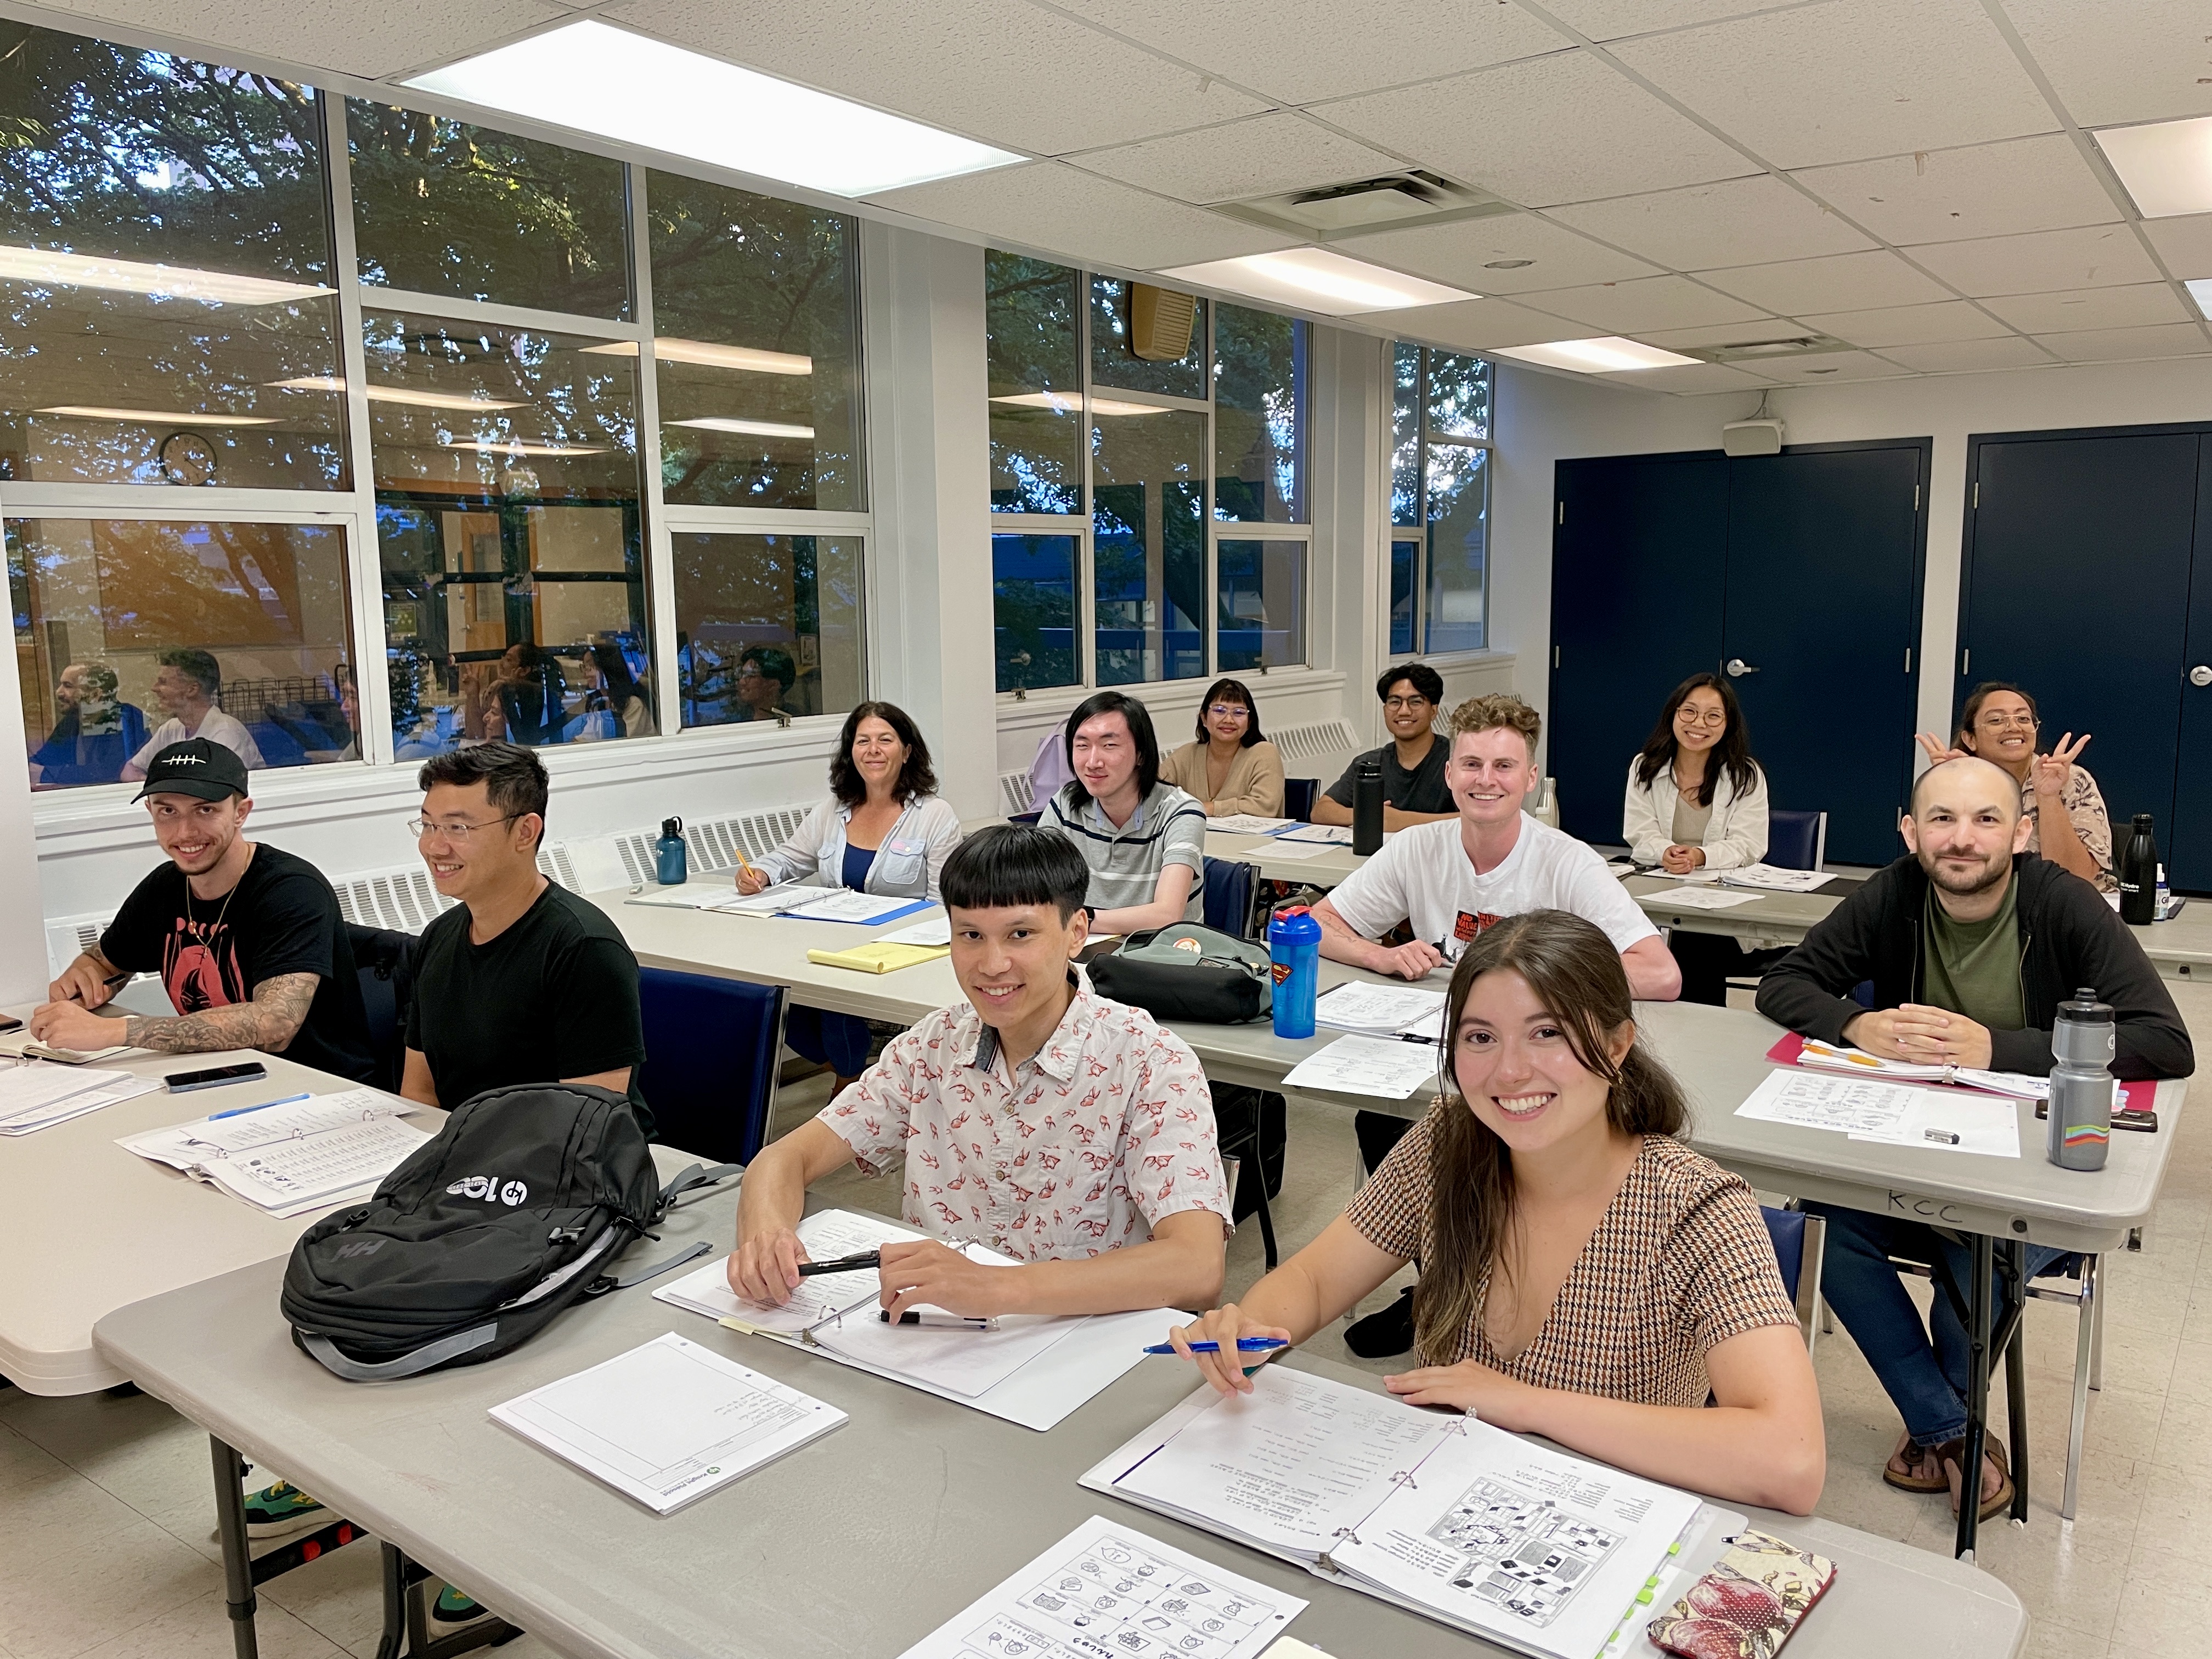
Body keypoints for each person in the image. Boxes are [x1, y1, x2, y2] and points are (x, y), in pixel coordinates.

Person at [1168, 911, 1824, 1516]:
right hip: (1430, 1499)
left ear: (1619, 1045)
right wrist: (1251, 1328)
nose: (1509, 1071)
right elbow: (1314, 1280)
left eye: (1548, 1033)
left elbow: (1789, 1458)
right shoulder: (1448, 1140)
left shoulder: (1696, 1208)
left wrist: (1526, 1404)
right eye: (1480, 1037)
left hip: (1600, 1521)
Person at [1756, 754, 2191, 1520]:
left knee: (1975, 1242)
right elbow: (1784, 983)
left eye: (1987, 819)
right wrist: (1858, 1024)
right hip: (1921, 1143)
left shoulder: (2064, 906)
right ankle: (1954, 1428)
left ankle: (1938, 1429)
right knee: (1818, 1211)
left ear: (2021, 833)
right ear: (1910, 832)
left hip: (2044, 1168)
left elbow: (2164, 1040)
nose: (1963, 840)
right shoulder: (1894, 893)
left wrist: (2003, 1048)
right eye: (1942, 820)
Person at [725, 825, 1232, 1318]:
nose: (992, 965)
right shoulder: (934, 1046)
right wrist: (767, 1236)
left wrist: (998, 1288)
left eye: (1021, 935)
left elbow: (1196, 1265)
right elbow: (784, 1159)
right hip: (940, 1339)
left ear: (1076, 932)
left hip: (1079, 1345)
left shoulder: (1148, 1061)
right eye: (971, 935)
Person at [1313, 691, 1679, 1357]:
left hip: (1532, 1062)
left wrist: (1531, 991)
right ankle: (1443, 1281)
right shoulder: (1417, 848)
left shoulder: (1565, 861)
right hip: (1440, 1047)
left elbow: (1659, 973)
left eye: (1505, 767)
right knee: (1382, 1118)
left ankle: (1494, 1291)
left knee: (1502, 1141)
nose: (1487, 780)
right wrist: (1381, 952)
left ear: (1530, 780)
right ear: (1450, 774)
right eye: (1473, 764)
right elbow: (1313, 922)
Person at [29, 739, 374, 1081]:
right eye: (168, 811)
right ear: (151, 811)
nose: (184, 832)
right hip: (217, 1079)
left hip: (319, 1088)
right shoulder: (164, 887)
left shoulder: (292, 890)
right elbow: (102, 962)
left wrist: (112, 1031)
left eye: (205, 810)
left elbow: (276, 1024)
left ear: (241, 812)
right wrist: (85, 979)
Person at [401, 742, 652, 1133]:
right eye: (429, 825)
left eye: (458, 828)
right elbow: (419, 1094)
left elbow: (585, 1130)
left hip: (567, 1170)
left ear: (525, 832)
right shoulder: (438, 938)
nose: (434, 846)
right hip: (462, 1158)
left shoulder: (583, 950)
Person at [738, 701, 963, 1096]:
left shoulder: (934, 814)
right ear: (851, 751)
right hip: (833, 943)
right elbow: (790, 858)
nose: (873, 750)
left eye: (885, 740)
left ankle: (850, 1088)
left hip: (898, 953)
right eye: (863, 741)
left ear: (907, 751)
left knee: (836, 1007)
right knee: (771, 1000)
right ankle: (861, 1082)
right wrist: (760, 872)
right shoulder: (833, 810)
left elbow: (943, 903)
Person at [1623, 673, 1771, 1005]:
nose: (1698, 724)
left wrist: (1700, 856)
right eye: (1689, 712)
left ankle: (1691, 1027)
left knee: (1696, 943)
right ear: (1673, 714)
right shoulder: (1644, 767)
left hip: (1719, 901)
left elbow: (1748, 845)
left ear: (1727, 723)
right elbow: (1639, 832)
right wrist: (1666, 852)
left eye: (1713, 716)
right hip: (1659, 891)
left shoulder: (1745, 776)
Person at [1917, 681, 2112, 893]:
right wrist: (1956, 787)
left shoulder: (2071, 779)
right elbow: (1941, 870)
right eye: (1996, 720)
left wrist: (2048, 796)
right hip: (1986, 907)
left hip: (2069, 906)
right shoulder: (1953, 781)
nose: (2014, 727)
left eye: (2023, 719)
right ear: (1970, 739)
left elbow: (2076, 878)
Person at [1041, 691, 1206, 932]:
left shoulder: (1180, 811)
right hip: (1084, 952)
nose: (1093, 762)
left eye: (1109, 746)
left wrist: (1076, 920)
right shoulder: (1065, 805)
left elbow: (1166, 914)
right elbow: (1033, 889)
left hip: (1162, 958)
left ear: (1141, 754)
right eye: (1082, 746)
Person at [1311, 663, 1457, 830]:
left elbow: (1476, 819)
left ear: (1434, 711)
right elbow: (1321, 811)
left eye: (1415, 702)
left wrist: (1402, 820)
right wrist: (1371, 815)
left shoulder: (1457, 759)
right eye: (1395, 702)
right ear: (1385, 709)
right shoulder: (1370, 763)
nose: (1404, 711)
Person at [123, 648, 264, 778]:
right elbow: (130, 770)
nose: (154, 688)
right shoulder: (172, 728)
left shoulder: (226, 732)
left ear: (192, 690)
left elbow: (216, 791)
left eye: (163, 682)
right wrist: (153, 785)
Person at [1159, 678, 1285, 818]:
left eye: (1238, 713)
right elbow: (1152, 794)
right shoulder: (1187, 754)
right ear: (1204, 718)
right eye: (1219, 711)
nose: (1228, 720)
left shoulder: (1264, 753)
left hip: (1256, 839)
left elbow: (1264, 807)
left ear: (1249, 722)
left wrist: (1210, 808)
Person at [29, 662, 149, 787]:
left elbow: (113, 772)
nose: (59, 692)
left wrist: (45, 773)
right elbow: (42, 761)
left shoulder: (127, 720)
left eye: (68, 686)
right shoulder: (71, 722)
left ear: (95, 695)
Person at [578, 638, 656, 740]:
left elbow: (631, 747)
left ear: (607, 668)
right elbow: (584, 739)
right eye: (584, 667)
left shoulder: (633, 705)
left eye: (590, 666)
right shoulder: (600, 702)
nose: (585, 674)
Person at [737, 647, 796, 722]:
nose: (742, 682)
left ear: (773, 685)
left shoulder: (795, 719)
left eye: (751, 676)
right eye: (743, 674)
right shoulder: (738, 716)